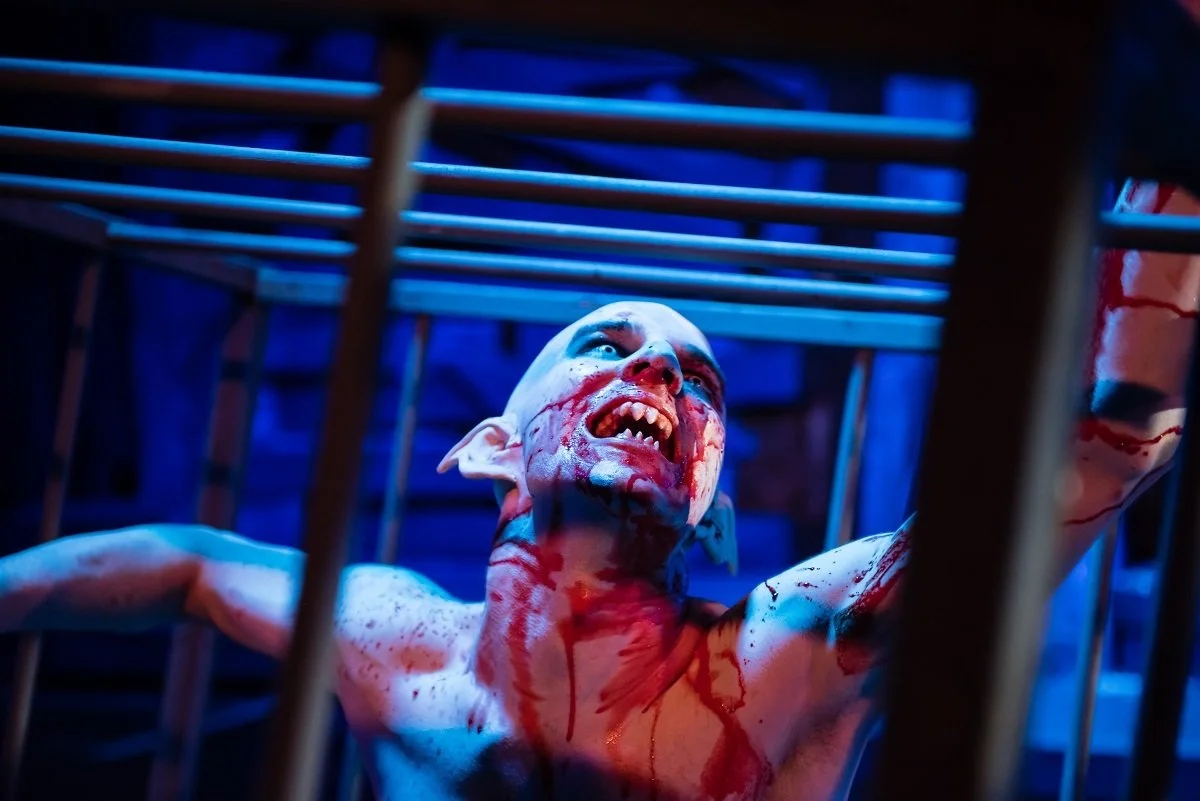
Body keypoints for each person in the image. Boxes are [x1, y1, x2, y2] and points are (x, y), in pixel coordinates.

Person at [1, 180, 1197, 801]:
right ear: (492, 450)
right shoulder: (398, 645)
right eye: (608, 346)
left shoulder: (776, 661)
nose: (659, 375)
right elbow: (188, 565)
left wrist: (1172, 168)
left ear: (708, 504)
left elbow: (1092, 455)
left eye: (696, 380)